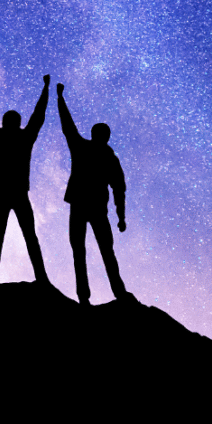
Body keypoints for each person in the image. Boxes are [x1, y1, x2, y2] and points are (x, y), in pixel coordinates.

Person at [0, 74, 51, 286]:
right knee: (27, 238)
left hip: (4, 194)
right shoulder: (23, 137)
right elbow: (38, 116)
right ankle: (40, 278)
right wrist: (45, 88)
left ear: (5, 122)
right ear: (17, 123)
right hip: (14, 194)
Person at [56, 82, 136, 306]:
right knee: (95, 250)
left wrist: (60, 97)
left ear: (96, 135)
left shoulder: (94, 152)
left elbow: (67, 126)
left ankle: (90, 296)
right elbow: (119, 189)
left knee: (85, 251)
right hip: (89, 207)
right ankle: (102, 294)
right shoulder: (106, 156)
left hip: (85, 206)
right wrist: (120, 216)